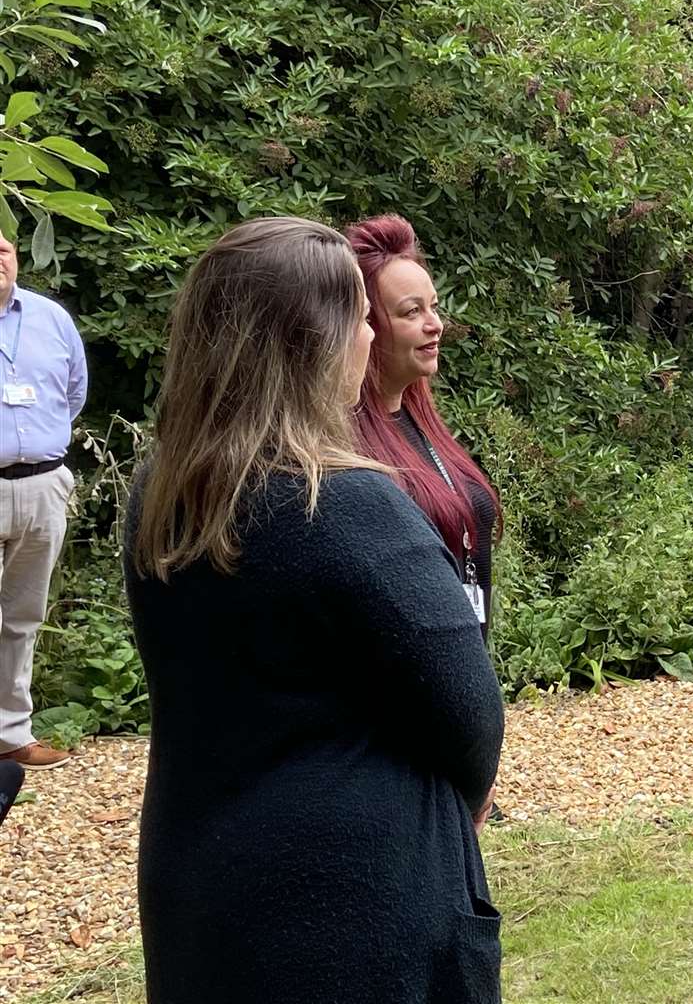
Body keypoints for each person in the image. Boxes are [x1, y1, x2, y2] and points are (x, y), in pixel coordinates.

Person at [124, 217, 505, 1004]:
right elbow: (471, 718)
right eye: (362, 319)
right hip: (353, 904)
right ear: (314, 341)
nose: (370, 337)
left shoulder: (164, 492)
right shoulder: (346, 503)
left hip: (201, 878)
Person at [345, 215, 500, 629]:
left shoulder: (420, 418)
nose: (436, 324)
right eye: (412, 312)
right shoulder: (347, 451)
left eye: (433, 306)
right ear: (366, 325)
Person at [0, 231, 87, 772]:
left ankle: (11, 733)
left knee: (22, 615)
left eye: (3, 251)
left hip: (44, 485)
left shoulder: (51, 317)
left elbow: (73, 391)